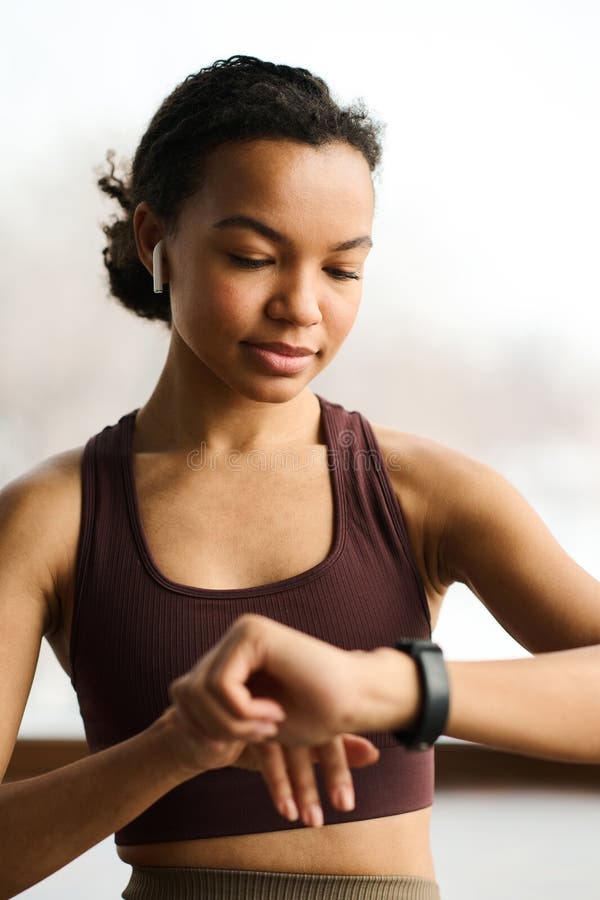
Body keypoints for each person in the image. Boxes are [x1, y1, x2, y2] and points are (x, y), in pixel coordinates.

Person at [1, 53, 599, 900]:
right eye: (253, 257)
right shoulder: (49, 518)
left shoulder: (427, 494)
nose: (303, 306)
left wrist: (384, 684)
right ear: (153, 240)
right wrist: (176, 747)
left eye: (343, 268)